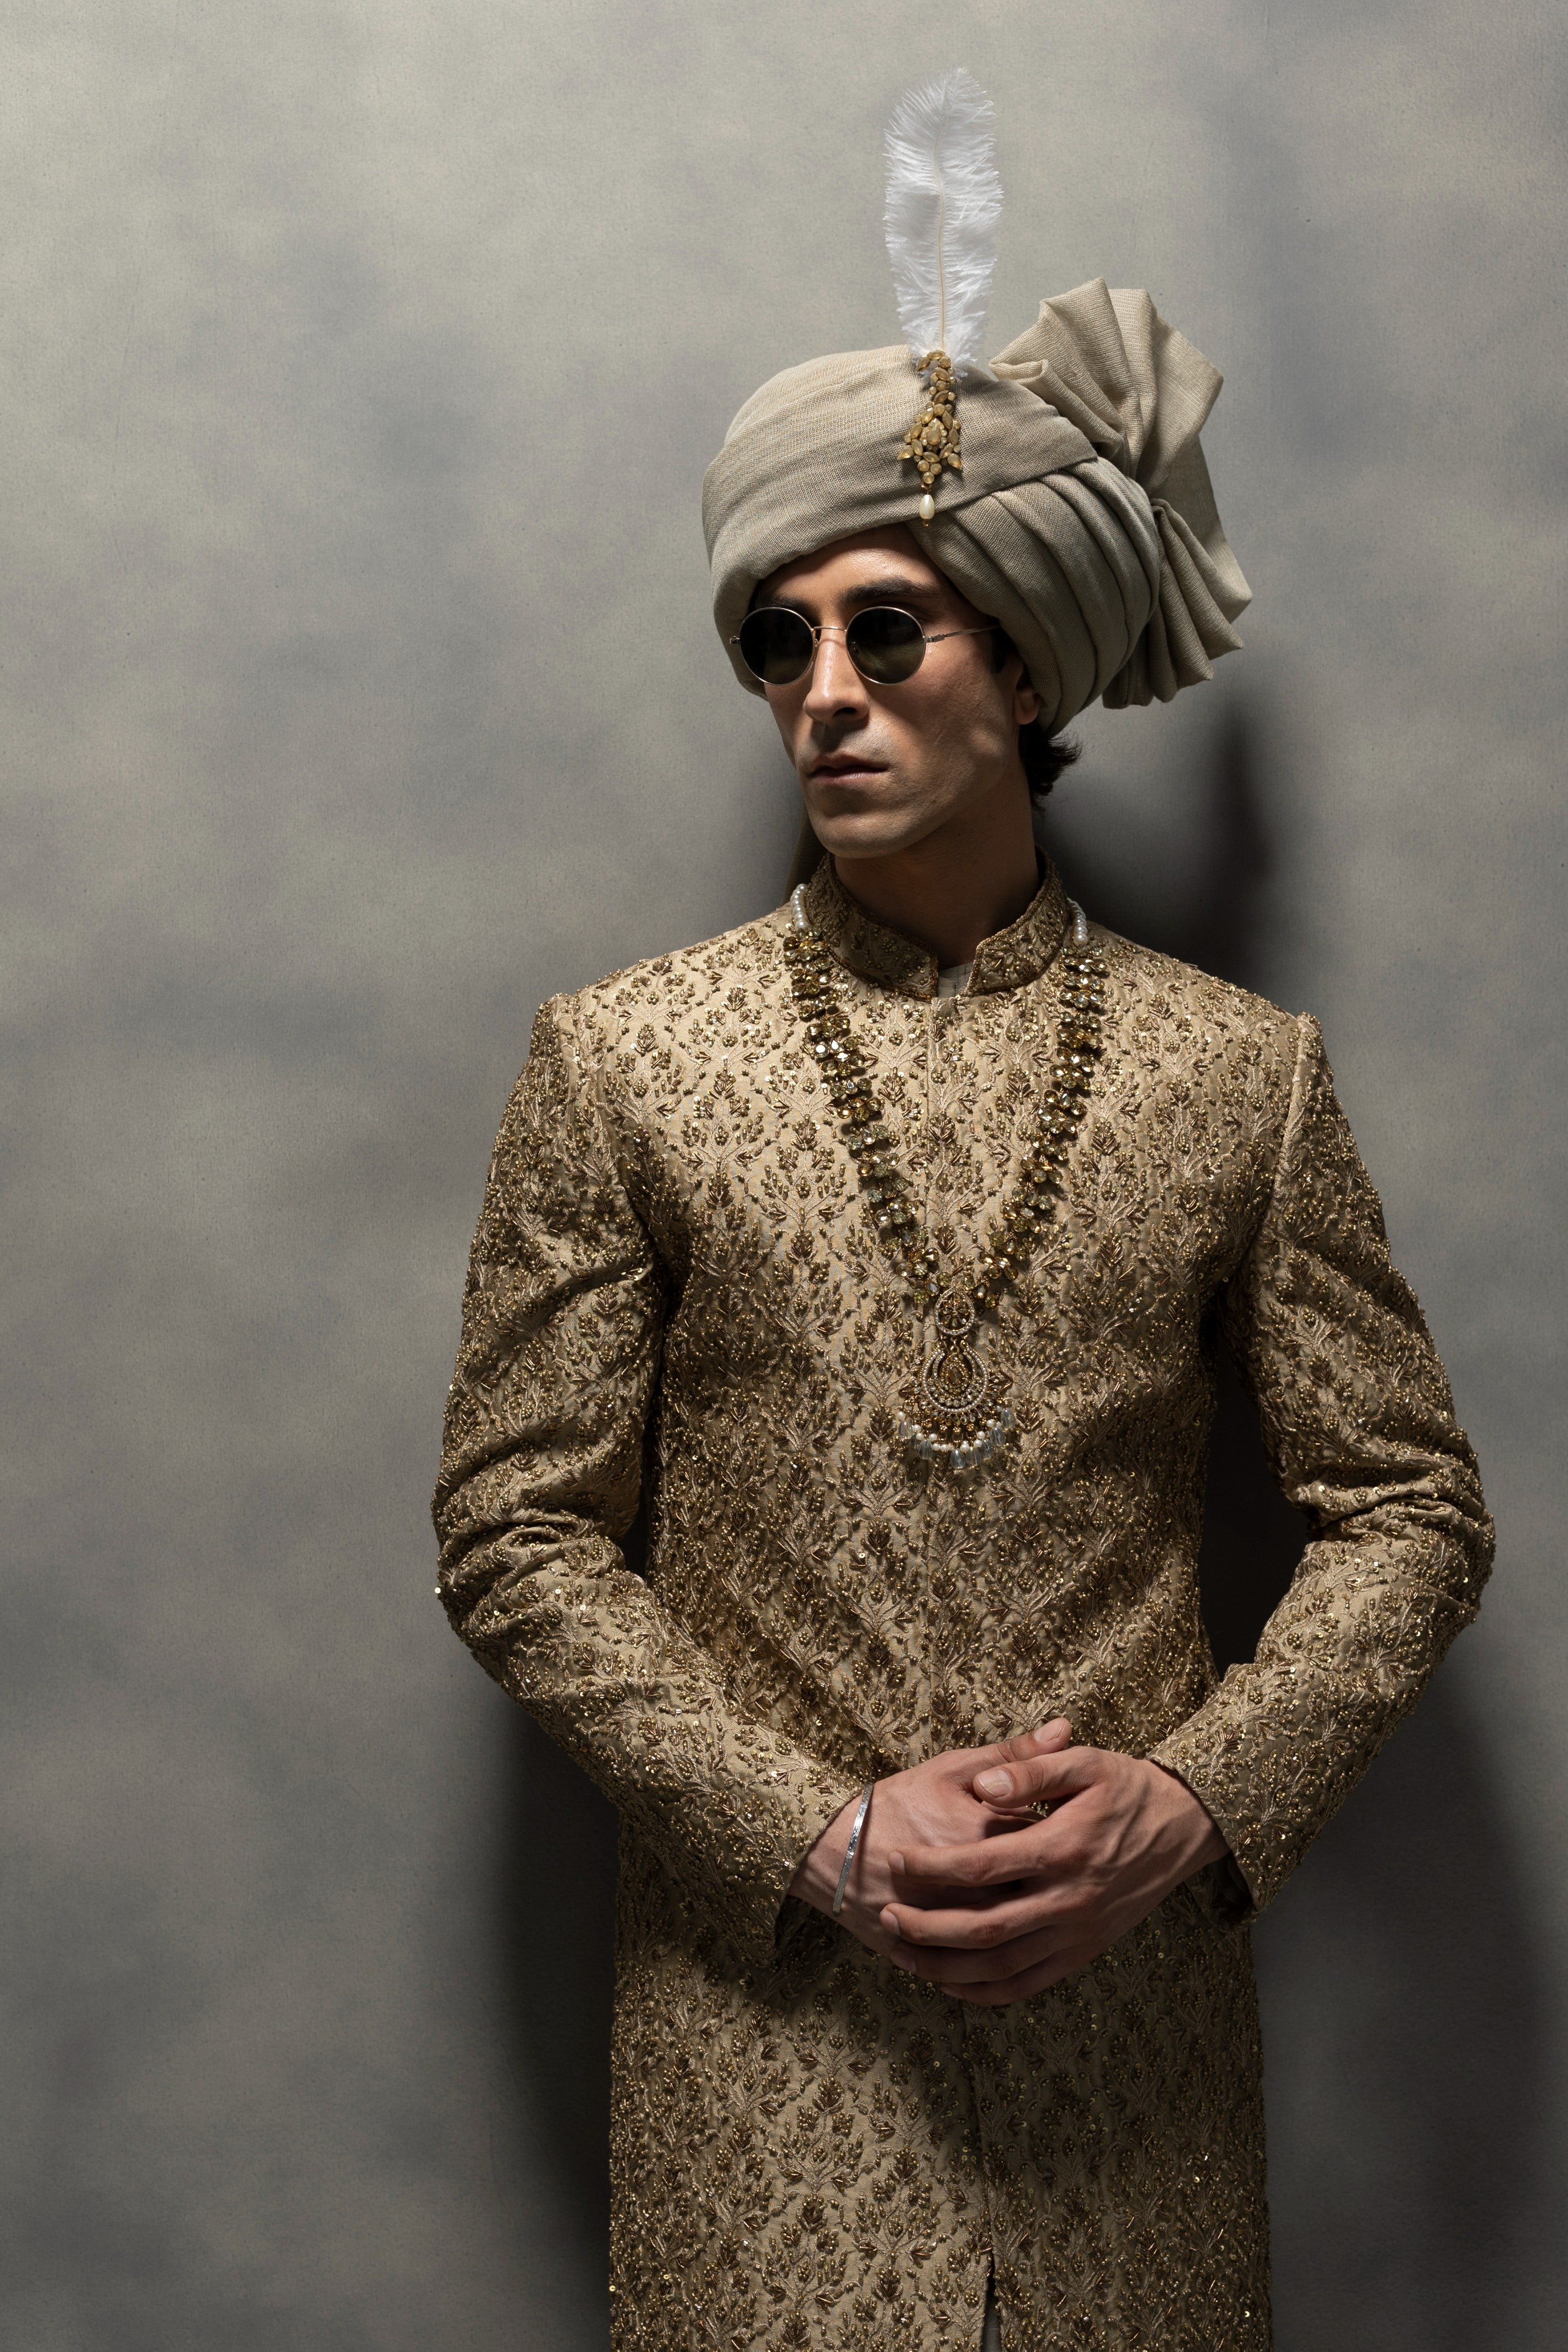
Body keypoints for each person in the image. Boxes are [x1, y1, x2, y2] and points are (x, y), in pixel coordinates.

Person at [433, 74, 1490, 2352]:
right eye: (776, 642)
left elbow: (1409, 1509)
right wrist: (816, 1831)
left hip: (1132, 2078)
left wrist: (1192, 1804)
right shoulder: (622, 1058)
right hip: (761, 2065)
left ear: (1021, 660)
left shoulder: (1236, 1073)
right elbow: (515, 1531)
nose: (820, 695)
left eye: (883, 632)